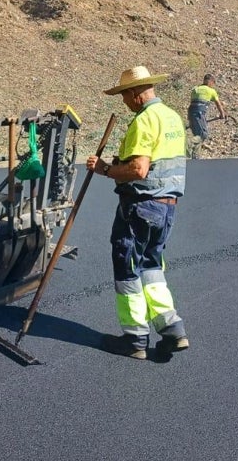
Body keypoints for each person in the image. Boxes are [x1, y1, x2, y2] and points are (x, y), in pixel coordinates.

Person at [86, 66, 189, 360]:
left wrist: (106, 169)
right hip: (167, 208)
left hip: (141, 208)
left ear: (135, 94)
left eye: (124, 96)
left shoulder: (144, 121)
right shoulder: (172, 117)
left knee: (128, 268)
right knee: (151, 268)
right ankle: (172, 330)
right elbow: (156, 162)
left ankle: (134, 339)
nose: (124, 103)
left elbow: (139, 169)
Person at [187, 73, 226, 158]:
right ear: (211, 82)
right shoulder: (211, 91)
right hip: (199, 112)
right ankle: (187, 143)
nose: (213, 85)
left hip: (191, 112)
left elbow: (193, 102)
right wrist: (222, 114)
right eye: (213, 83)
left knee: (196, 134)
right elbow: (218, 104)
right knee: (203, 134)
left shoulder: (196, 89)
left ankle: (195, 156)